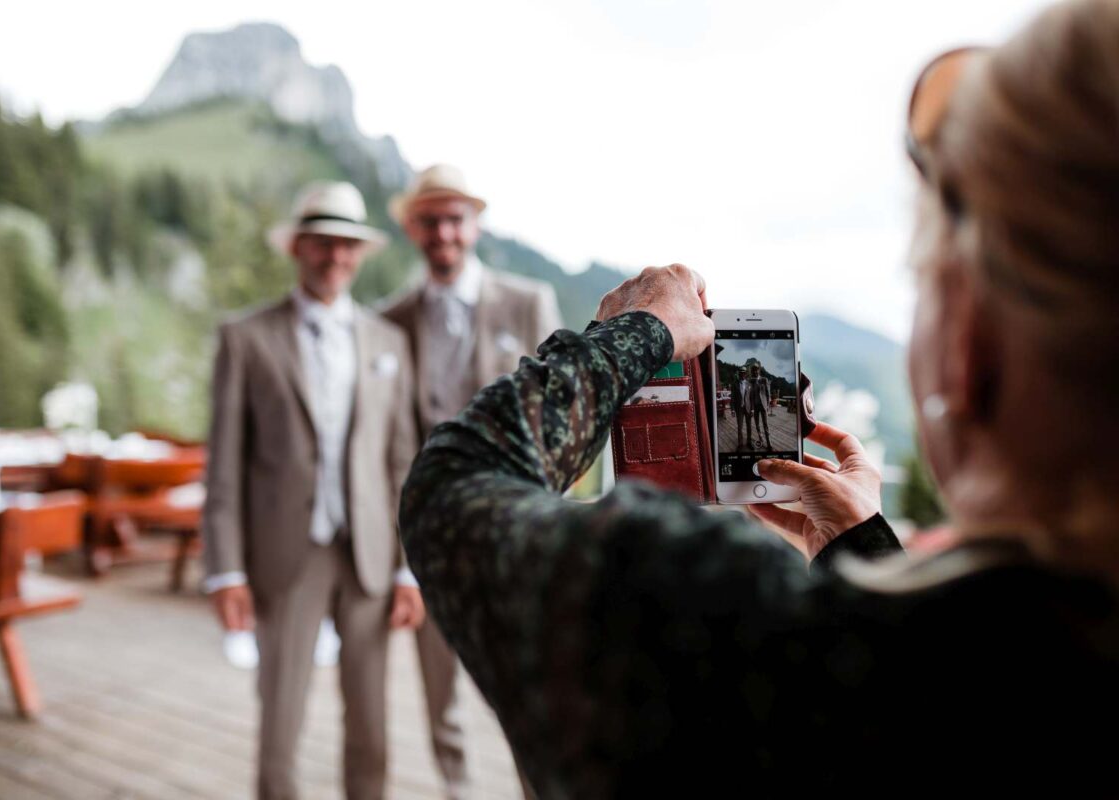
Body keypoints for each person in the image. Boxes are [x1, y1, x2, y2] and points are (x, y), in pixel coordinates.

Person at [397, 1, 1119, 795]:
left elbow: (451, 488)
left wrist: (634, 336)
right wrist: (864, 551)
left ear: (968, 349)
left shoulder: (725, 628)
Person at [202, 181, 425, 800]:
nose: (335, 257)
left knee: (372, 726)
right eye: (322, 243)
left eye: (347, 245)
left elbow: (402, 464)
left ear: (360, 253)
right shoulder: (244, 338)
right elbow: (223, 464)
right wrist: (225, 571)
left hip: (370, 556)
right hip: (283, 555)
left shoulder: (389, 342)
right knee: (280, 723)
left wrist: (409, 570)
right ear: (297, 248)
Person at [380, 163, 561, 799]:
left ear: (475, 224)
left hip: (517, 529)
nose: (444, 232)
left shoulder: (527, 301)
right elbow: (388, 441)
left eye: (455, 218)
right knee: (440, 694)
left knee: (529, 695)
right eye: (430, 220)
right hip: (428, 532)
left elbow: (563, 419)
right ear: (411, 228)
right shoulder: (391, 318)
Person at [749, 364, 772, 450]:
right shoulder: (751, 381)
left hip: (763, 406)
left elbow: (768, 394)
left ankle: (769, 444)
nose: (755, 371)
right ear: (752, 372)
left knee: (765, 425)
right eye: (753, 370)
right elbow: (750, 396)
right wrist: (751, 408)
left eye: (756, 370)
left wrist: (768, 406)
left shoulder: (764, 380)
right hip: (755, 406)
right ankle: (761, 440)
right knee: (757, 425)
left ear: (759, 370)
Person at [730, 366, 749, 449]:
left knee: (749, 426)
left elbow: (750, 397)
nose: (742, 374)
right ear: (739, 374)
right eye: (741, 373)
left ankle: (749, 442)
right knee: (740, 426)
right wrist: (733, 410)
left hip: (747, 408)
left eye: (744, 373)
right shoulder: (735, 384)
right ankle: (740, 443)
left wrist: (752, 409)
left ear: (746, 374)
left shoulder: (749, 384)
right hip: (739, 408)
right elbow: (733, 397)